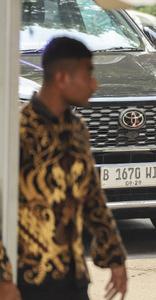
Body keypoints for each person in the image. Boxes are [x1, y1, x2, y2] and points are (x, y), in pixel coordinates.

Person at [0, 37, 127, 300]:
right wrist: (3, 279)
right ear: (61, 79)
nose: (95, 84)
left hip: (73, 279)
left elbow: (92, 197)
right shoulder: (18, 131)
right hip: (26, 281)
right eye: (88, 74)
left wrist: (115, 257)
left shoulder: (77, 129)